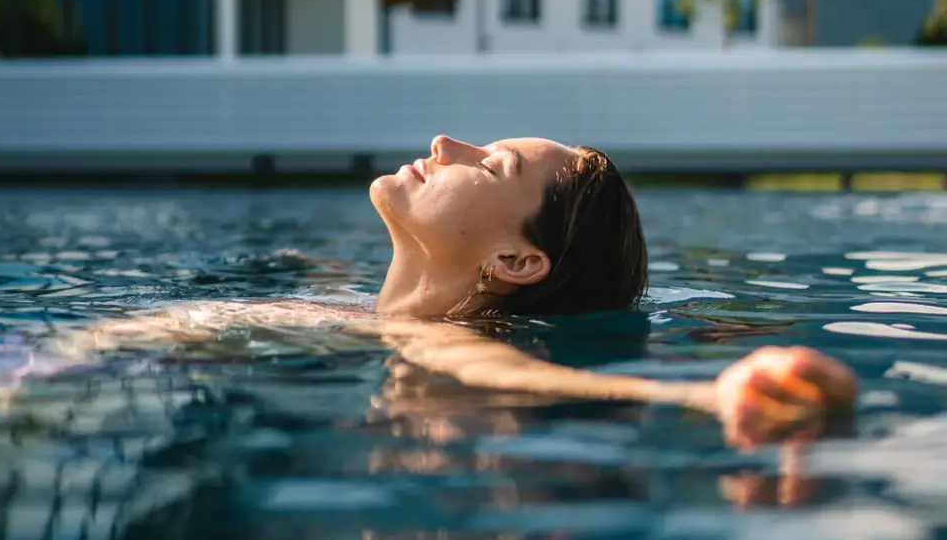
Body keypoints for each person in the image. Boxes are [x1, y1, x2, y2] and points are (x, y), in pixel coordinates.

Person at [72, 134, 858, 449]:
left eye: (492, 165)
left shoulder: (438, 340)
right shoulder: (347, 315)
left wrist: (711, 399)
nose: (448, 144)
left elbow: (516, 376)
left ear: (517, 263)